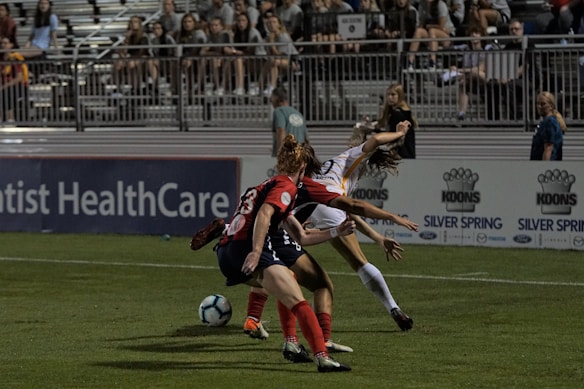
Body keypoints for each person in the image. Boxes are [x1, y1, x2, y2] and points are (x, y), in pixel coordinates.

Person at [215, 134, 352, 372]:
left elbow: (302, 236)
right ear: (302, 167)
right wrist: (257, 251)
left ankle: (291, 344)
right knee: (299, 302)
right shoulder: (287, 186)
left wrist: (336, 231)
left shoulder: (266, 186)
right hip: (245, 249)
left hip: (225, 253)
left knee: (289, 280)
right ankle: (323, 357)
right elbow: (265, 214)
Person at [407, 0, 455, 70]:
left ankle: (432, 62)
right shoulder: (422, 5)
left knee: (432, 31)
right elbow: (421, 23)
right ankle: (410, 62)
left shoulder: (440, 4)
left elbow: (442, 26)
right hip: (430, 33)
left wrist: (429, 26)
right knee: (419, 31)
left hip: (446, 33)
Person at [452, 26, 487, 122]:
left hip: (484, 80)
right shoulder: (467, 52)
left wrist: (460, 70)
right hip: (471, 79)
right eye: (472, 34)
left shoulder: (485, 51)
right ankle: (461, 113)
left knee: (474, 73)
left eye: (477, 33)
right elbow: (466, 68)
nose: (474, 35)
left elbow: (479, 69)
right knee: (462, 83)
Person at [376, 83, 418, 159]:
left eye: (393, 95)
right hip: (406, 154)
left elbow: (392, 135)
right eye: (388, 95)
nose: (389, 97)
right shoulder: (398, 112)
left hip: (401, 155)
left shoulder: (398, 114)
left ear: (400, 96)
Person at [262, 15, 299, 97]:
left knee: (274, 62)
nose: (271, 24)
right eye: (269, 23)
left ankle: (271, 86)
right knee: (270, 62)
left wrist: (271, 42)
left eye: (274, 22)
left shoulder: (283, 36)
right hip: (279, 61)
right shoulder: (267, 38)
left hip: (292, 61)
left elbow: (278, 54)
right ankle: (260, 86)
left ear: (279, 25)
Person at [231, 11, 266, 96]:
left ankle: (240, 87)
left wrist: (234, 52)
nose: (241, 23)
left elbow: (250, 51)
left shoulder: (253, 32)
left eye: (243, 20)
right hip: (247, 60)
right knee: (229, 62)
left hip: (259, 61)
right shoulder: (236, 34)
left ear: (248, 22)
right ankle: (223, 87)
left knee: (238, 60)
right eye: (239, 21)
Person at [113, 15, 151, 93]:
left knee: (131, 63)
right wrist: (126, 39)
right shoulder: (129, 36)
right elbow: (123, 52)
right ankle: (118, 88)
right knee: (118, 64)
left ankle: (135, 87)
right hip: (130, 57)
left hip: (142, 57)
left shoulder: (144, 36)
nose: (133, 24)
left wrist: (130, 57)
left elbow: (143, 51)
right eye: (131, 22)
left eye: (135, 22)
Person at [176, 13, 207, 99]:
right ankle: (178, 89)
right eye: (185, 22)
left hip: (199, 57)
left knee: (196, 62)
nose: (187, 24)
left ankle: (199, 87)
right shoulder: (181, 35)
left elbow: (198, 47)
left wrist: (190, 58)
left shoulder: (199, 33)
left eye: (189, 21)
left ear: (194, 23)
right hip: (187, 58)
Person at [270, 86, 308, 157]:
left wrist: (281, 154)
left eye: (271, 99)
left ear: (277, 99)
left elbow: (281, 130)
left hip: (288, 155)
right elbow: (306, 138)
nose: (271, 103)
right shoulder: (298, 113)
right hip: (300, 154)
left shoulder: (279, 111)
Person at [530, 91, 566, 161]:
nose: (539, 106)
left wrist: (544, 168)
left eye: (543, 104)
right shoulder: (545, 122)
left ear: (551, 106)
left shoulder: (550, 123)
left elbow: (548, 148)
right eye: (538, 104)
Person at [200, 17, 232, 96]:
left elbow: (222, 50)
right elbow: (203, 51)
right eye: (211, 25)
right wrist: (210, 52)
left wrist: (210, 52)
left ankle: (220, 86)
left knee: (215, 60)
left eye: (216, 25)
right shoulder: (210, 37)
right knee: (204, 60)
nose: (213, 27)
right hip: (215, 58)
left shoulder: (225, 35)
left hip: (227, 58)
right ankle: (201, 86)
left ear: (221, 26)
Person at [1, 35, 28, 124]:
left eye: (6, 43)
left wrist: (3, 86)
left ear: (11, 45)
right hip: (3, 85)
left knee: (6, 93)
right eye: (1, 43)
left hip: (17, 86)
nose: (3, 45)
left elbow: (18, 77)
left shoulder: (15, 58)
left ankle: (10, 119)